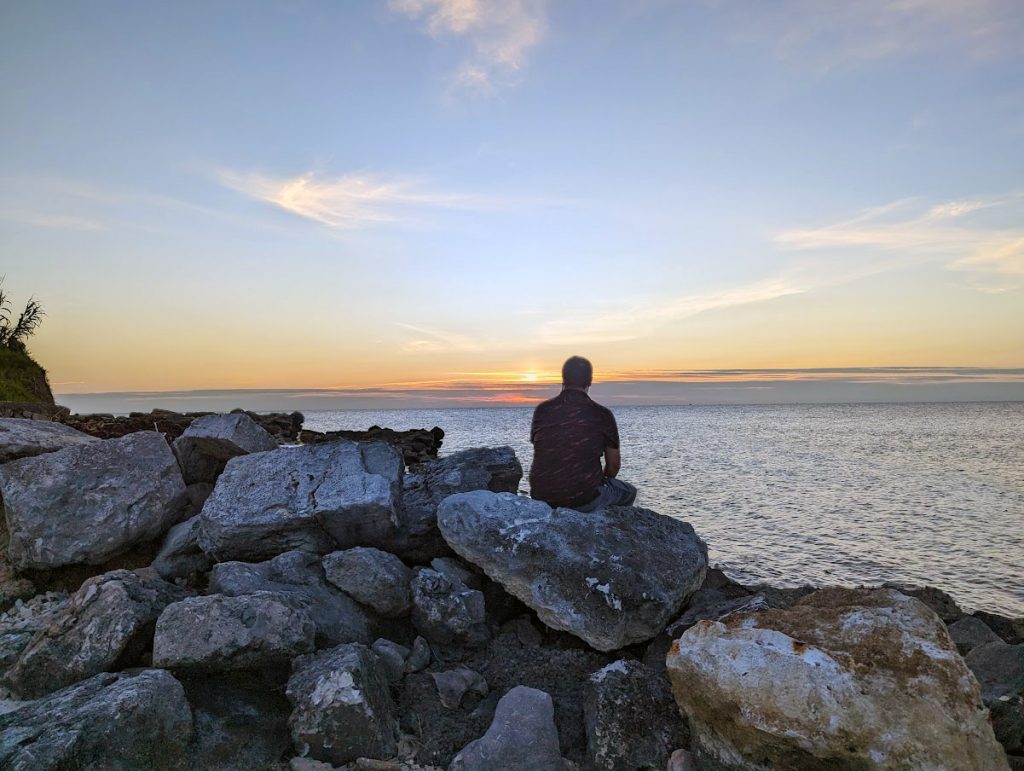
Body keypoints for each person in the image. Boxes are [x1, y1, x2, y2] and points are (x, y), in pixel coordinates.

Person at [529, 355, 637, 512]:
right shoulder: (602, 414)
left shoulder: (542, 410)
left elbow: (545, 449)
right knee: (629, 492)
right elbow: (613, 466)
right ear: (590, 381)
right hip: (582, 498)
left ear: (563, 380)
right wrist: (601, 481)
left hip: (542, 495)